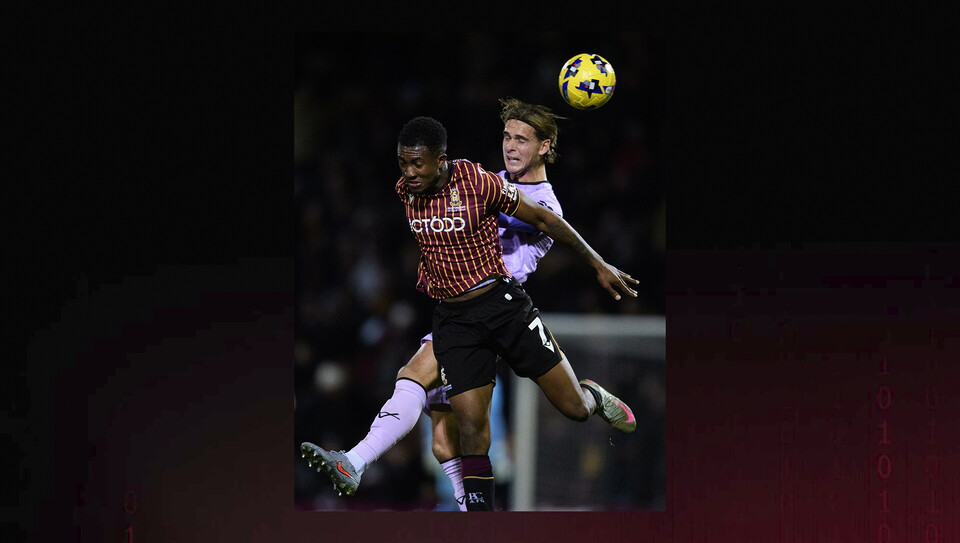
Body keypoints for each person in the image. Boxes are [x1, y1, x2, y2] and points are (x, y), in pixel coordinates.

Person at [302, 99, 638, 511]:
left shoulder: (543, 202)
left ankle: (592, 395)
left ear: (545, 147)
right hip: (460, 315)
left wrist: (598, 264)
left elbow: (531, 218)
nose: (510, 147)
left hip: (505, 307)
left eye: (522, 140)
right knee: (445, 441)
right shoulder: (481, 180)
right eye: (506, 137)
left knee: (575, 411)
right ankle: (452, 504)